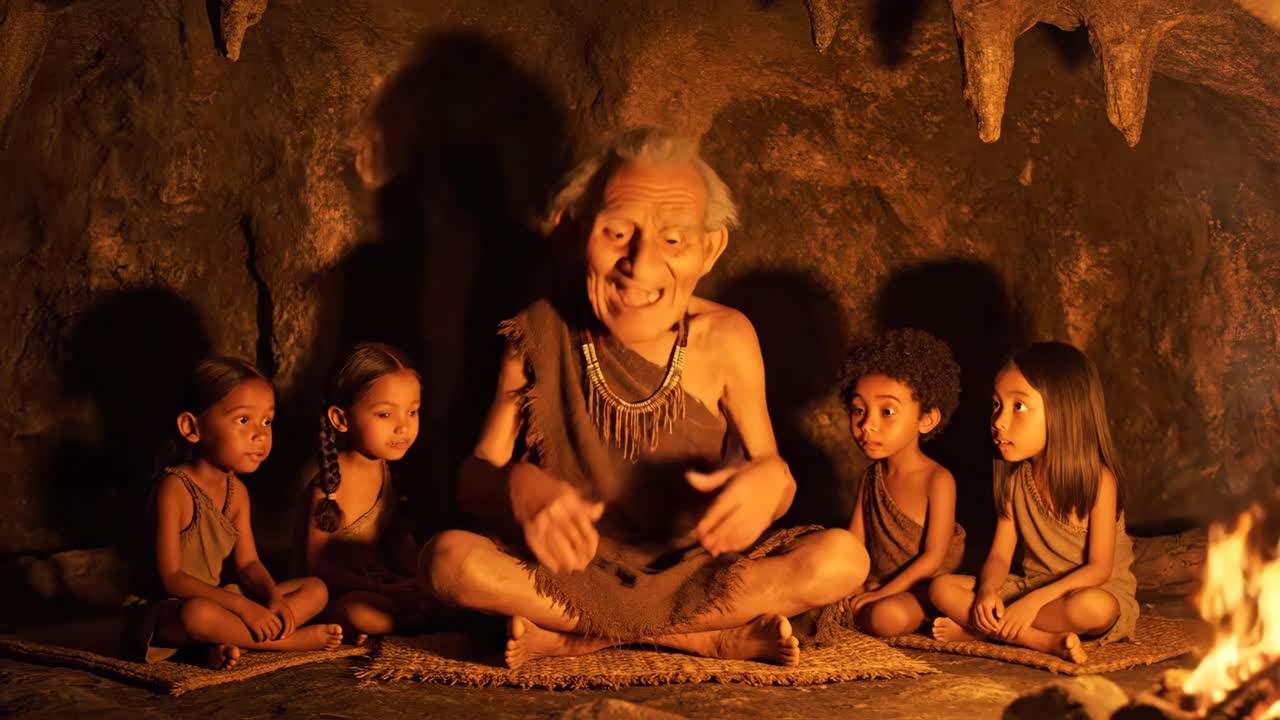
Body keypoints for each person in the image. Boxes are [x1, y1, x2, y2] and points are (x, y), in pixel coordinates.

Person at [422, 127, 867, 668]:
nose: (642, 263)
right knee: (448, 563)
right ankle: (705, 639)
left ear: (711, 248)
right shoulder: (537, 332)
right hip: (572, 571)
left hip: (697, 572)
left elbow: (774, 475)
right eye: (616, 233)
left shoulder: (727, 337)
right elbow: (475, 479)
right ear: (572, 232)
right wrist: (517, 484)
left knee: (842, 561)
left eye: (674, 239)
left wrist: (769, 484)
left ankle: (581, 639)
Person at [122, 357, 341, 669]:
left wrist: (271, 599)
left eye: (267, 421)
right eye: (243, 420)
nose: (260, 435)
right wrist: (243, 607)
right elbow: (171, 578)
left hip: (221, 600)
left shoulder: (237, 492)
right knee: (196, 615)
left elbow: (248, 563)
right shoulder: (175, 488)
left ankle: (225, 643)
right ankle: (286, 642)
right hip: (167, 610)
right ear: (192, 427)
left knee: (315, 589)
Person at [928, 342, 1138, 663]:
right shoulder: (1015, 481)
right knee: (941, 588)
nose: (998, 421)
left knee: (1092, 608)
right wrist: (986, 592)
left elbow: (1099, 568)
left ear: (1064, 410)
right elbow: (999, 555)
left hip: (1087, 591)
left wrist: (1034, 602)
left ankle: (982, 630)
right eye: (997, 405)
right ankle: (1039, 642)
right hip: (1030, 587)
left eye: (1019, 406)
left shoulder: (1098, 481)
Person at [301, 342, 431, 639]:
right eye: (385, 415)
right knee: (361, 613)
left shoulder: (389, 473)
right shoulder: (330, 485)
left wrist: (414, 580)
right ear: (341, 419)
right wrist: (385, 589)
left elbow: (399, 543)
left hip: (382, 585)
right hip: (336, 596)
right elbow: (319, 568)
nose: (403, 427)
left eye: (412, 412)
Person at [841, 328, 966, 636]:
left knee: (885, 618)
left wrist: (881, 594)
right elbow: (853, 541)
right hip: (878, 583)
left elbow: (933, 557)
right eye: (859, 409)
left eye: (887, 411)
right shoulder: (871, 477)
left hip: (923, 590)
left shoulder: (938, 480)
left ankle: (943, 619)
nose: (867, 425)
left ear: (926, 419)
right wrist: (853, 588)